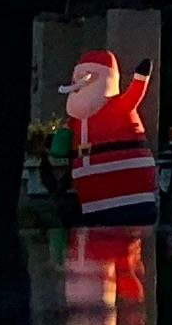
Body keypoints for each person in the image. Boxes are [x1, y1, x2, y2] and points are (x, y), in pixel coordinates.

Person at [62, 52, 157, 226]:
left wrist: (141, 78)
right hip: (92, 205)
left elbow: (134, 95)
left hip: (131, 198)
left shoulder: (118, 107)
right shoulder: (76, 121)